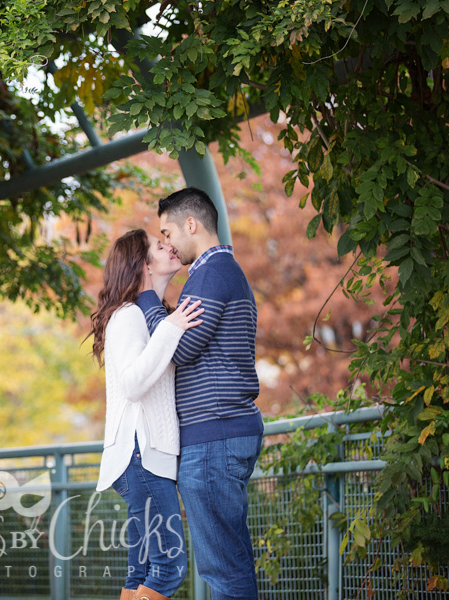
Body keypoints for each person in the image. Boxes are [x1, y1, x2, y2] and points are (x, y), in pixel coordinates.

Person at [136, 188, 263, 600]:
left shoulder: (212, 274)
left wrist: (148, 296)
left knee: (222, 569)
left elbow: (178, 348)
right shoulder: (220, 273)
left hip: (214, 437)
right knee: (230, 562)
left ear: (191, 224)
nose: (168, 243)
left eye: (168, 233)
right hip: (223, 433)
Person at [88, 228, 204, 600]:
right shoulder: (128, 317)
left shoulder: (142, 316)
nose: (170, 246)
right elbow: (132, 384)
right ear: (143, 265)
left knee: (141, 570)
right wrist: (170, 329)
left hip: (142, 458)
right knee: (169, 566)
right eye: (159, 245)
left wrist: (168, 327)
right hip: (141, 457)